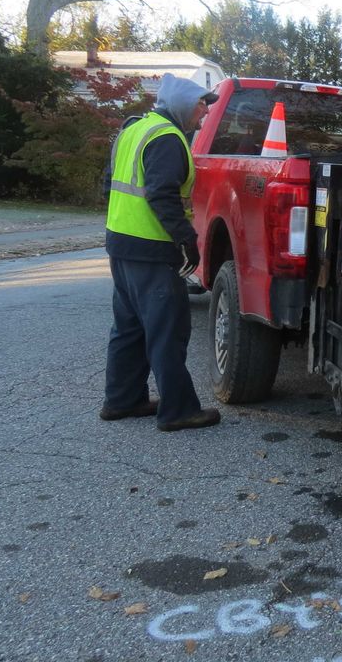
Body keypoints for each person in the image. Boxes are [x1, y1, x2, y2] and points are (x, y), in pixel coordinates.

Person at [100, 73, 221, 432]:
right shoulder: (167, 138)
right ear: (184, 104)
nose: (204, 114)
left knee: (129, 327)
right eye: (201, 105)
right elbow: (161, 194)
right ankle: (179, 411)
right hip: (150, 250)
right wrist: (187, 240)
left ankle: (122, 400)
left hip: (121, 245)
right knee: (167, 329)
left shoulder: (134, 129)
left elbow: (109, 182)